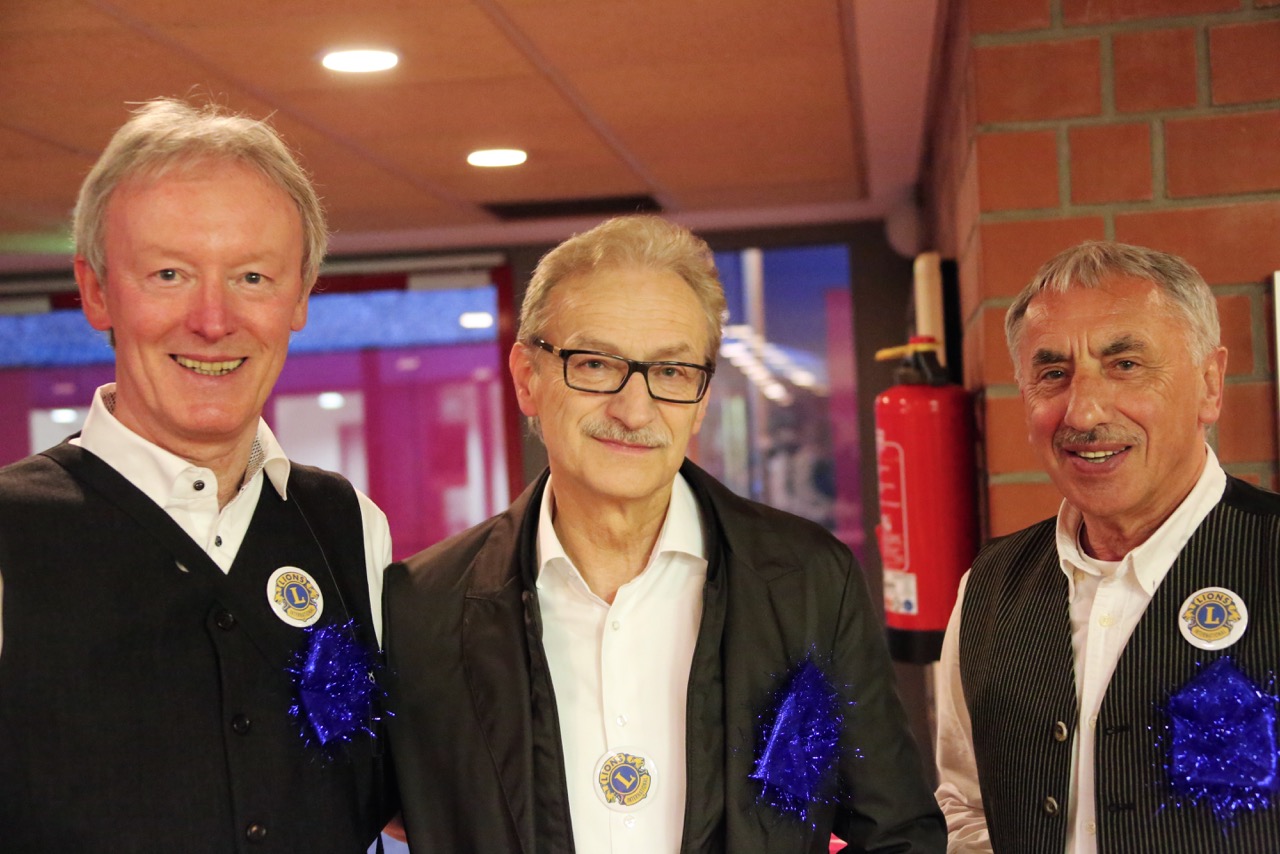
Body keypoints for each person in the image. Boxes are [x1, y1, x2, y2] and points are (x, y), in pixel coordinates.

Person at [383, 214, 945, 852]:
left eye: (672, 372)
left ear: (701, 399)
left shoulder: (807, 581)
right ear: (526, 377)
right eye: (595, 364)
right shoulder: (423, 607)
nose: (634, 409)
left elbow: (898, 833)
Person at [0, 99, 394, 851]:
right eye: (169, 273)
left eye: (252, 276)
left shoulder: (349, 526)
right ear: (96, 291)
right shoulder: (9, 534)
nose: (213, 321)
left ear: (300, 295)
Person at [935, 241, 1280, 853]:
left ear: (1209, 384)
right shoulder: (987, 589)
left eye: (1125, 365)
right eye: (1052, 375)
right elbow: (968, 806)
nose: (1084, 412)